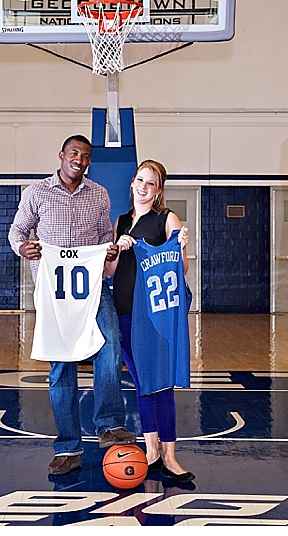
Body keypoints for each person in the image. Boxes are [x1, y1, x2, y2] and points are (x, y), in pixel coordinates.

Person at [8, 134, 136, 476]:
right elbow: (17, 231)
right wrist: (23, 247)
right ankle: (68, 448)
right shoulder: (37, 192)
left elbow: (102, 238)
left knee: (110, 346)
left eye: (86, 155)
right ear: (62, 155)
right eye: (74, 153)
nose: (79, 159)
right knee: (61, 368)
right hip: (54, 296)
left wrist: (108, 251)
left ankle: (108, 425)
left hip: (94, 290)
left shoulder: (99, 194)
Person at [105, 159, 195, 483]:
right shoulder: (122, 221)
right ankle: (152, 452)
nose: (144, 187)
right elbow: (111, 272)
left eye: (151, 183)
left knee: (162, 386)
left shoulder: (165, 219)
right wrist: (116, 249)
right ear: (132, 183)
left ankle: (170, 457)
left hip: (154, 316)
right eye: (140, 180)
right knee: (144, 385)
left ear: (158, 190)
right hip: (125, 311)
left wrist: (181, 246)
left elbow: (180, 267)